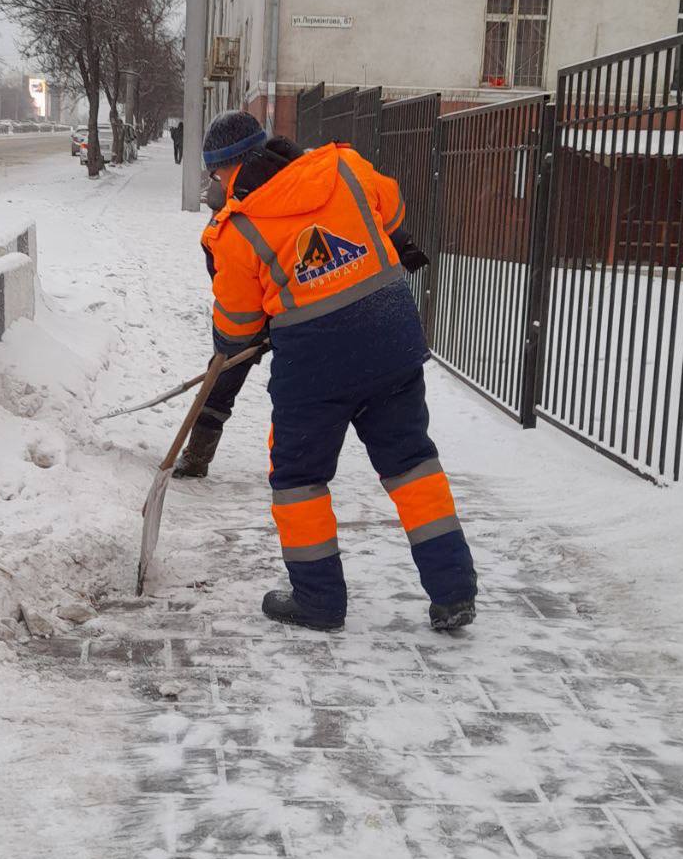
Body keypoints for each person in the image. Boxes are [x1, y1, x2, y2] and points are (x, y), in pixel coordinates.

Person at [200, 110, 477, 633]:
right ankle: (454, 591)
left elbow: (237, 325)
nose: (215, 188)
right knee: (412, 464)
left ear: (228, 170)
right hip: (390, 338)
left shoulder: (238, 231)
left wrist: (248, 331)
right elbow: (391, 216)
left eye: (214, 178)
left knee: (300, 479)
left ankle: (319, 602)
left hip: (314, 366)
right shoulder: (344, 166)